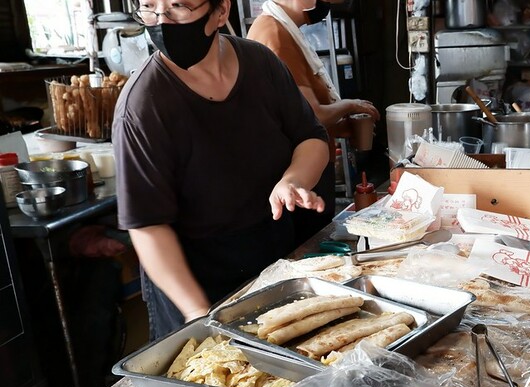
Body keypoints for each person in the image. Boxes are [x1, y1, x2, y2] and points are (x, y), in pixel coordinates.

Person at [114, 0, 330, 340]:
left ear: (221, 11)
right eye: (149, 7)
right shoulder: (144, 105)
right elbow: (147, 226)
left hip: (272, 259)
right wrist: (200, 315)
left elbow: (311, 138)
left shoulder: (260, 63)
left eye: (179, 6)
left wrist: (293, 180)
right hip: (196, 281)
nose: (161, 21)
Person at [246, 0, 380, 243]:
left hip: (303, 170)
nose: (324, 3)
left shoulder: (282, 30)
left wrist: (344, 123)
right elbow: (312, 115)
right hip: (299, 172)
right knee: (310, 246)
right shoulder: (275, 34)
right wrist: (351, 105)